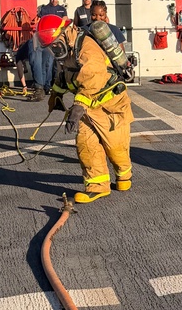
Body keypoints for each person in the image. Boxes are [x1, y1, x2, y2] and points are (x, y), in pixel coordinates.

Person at [38, 13, 133, 203]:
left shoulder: (87, 47)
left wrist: (78, 106)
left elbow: (92, 77)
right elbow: (65, 73)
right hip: (88, 108)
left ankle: (124, 174)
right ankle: (97, 186)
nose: (54, 49)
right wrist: (56, 93)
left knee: (115, 147)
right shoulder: (67, 49)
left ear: (64, 34)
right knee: (86, 145)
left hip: (110, 106)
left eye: (55, 44)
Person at [31, 0, 63, 99]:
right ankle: (46, 86)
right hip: (46, 40)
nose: (54, 0)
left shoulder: (62, 9)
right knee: (47, 64)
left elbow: (64, 23)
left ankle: (51, 85)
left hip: (57, 40)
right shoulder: (44, 9)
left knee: (55, 65)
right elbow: (39, 22)